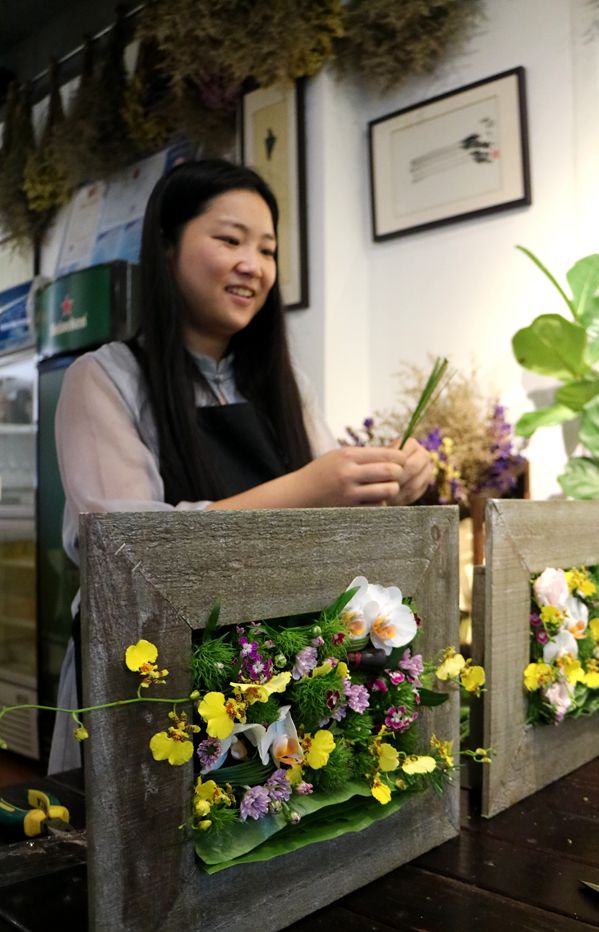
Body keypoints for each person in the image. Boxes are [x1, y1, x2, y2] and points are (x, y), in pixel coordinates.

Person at [48, 158, 433, 772]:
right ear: (167, 248)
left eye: (267, 250)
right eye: (230, 240)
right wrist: (311, 486)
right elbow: (126, 551)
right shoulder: (104, 379)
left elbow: (334, 520)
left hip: (272, 690)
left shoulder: (286, 385)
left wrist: (391, 484)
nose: (253, 265)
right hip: (152, 690)